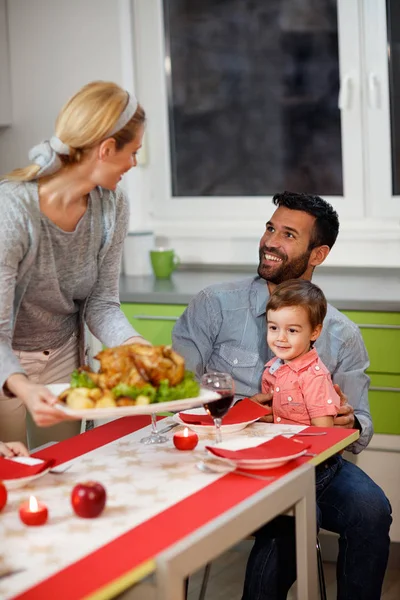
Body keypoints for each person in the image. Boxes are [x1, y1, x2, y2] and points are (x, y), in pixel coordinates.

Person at [172, 191, 392, 600]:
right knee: (287, 521)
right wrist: (243, 411)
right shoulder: (214, 305)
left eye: (289, 234)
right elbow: (177, 395)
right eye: (271, 227)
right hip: (227, 460)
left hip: (312, 464)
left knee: (371, 511)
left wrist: (349, 422)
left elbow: (363, 426)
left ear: (317, 254)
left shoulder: (342, 334)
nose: (271, 241)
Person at [0, 81, 150, 449]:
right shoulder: (13, 210)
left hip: (65, 354)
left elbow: (102, 302)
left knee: (63, 465)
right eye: (133, 153)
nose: (133, 164)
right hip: (8, 364)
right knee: (12, 475)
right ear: (106, 148)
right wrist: (23, 386)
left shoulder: (112, 205)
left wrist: (133, 345)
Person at [264, 279, 340, 427]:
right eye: (273, 328)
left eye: (292, 330)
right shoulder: (271, 370)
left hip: (308, 449)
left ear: (314, 332)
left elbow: (323, 432)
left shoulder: (315, 378)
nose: (280, 338)